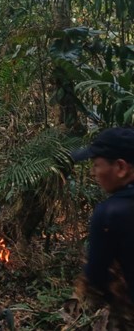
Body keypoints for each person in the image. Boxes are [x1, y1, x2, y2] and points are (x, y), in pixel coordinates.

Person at [71, 127, 134, 326]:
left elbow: (94, 283)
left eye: (97, 165)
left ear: (121, 168)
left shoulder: (110, 213)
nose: (93, 172)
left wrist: (68, 316)